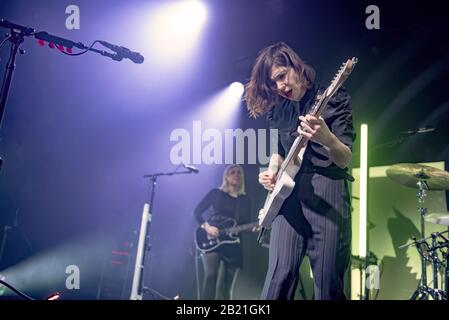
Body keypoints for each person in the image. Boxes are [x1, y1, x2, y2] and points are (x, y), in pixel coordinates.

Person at [244, 42, 355, 300]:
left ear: (295, 65)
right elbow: (279, 151)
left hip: (328, 192)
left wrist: (327, 139)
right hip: (288, 198)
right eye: (273, 84)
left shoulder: (334, 98)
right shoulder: (278, 109)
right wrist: (272, 172)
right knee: (278, 280)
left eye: (281, 76)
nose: (280, 87)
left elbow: (345, 158)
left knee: (328, 284)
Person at [194, 165, 253, 300]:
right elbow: (197, 212)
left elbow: (246, 224)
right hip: (212, 238)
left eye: (239, 173)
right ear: (226, 176)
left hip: (234, 242)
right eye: (232, 172)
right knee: (211, 275)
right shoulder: (216, 193)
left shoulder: (245, 200)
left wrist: (254, 227)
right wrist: (207, 227)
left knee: (227, 285)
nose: (236, 175)